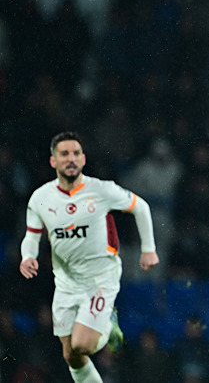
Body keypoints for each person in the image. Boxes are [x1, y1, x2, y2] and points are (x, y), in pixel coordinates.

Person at [19, 132, 159, 383]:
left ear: (83, 159)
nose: (70, 159)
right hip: (65, 282)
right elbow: (31, 235)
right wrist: (27, 256)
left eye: (75, 154)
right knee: (71, 354)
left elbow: (140, 206)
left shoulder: (101, 190)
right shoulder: (41, 198)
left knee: (83, 345)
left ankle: (107, 322)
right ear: (53, 161)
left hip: (100, 278)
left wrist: (148, 248)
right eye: (64, 154)